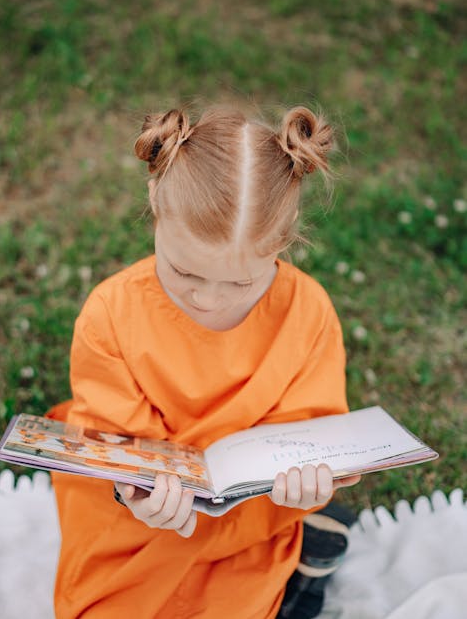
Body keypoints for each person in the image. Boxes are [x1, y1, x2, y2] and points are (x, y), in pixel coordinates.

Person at [48, 103, 360, 619]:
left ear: (283, 241)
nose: (208, 301)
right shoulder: (111, 312)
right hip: (140, 516)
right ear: (154, 199)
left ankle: (303, 564)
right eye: (184, 272)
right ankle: (309, 563)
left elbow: (311, 426)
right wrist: (139, 497)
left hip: (249, 513)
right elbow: (114, 438)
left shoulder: (307, 313)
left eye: (241, 283)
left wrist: (307, 478)